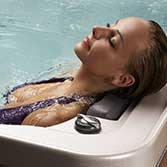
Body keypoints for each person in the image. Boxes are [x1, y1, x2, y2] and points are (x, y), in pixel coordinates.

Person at [0, 16, 167, 127]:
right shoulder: (70, 74)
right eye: (110, 25)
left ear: (121, 79)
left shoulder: (52, 115)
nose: (96, 28)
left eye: (112, 40)